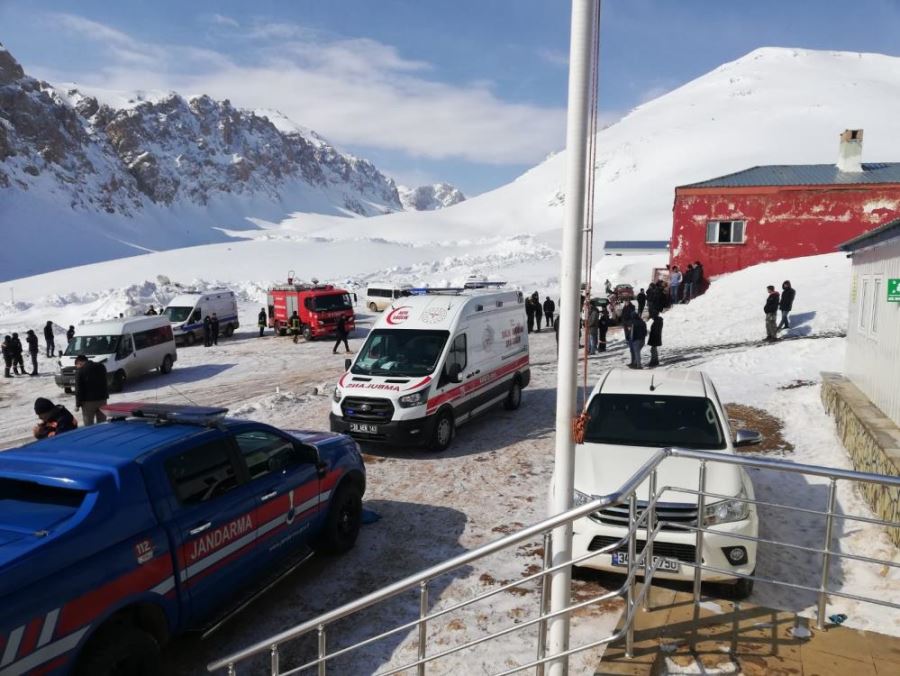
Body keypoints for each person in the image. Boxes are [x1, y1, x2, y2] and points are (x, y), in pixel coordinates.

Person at [74, 355, 109, 426]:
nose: (77, 367)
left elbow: (78, 389)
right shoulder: (101, 366)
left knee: (88, 425)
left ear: (79, 362)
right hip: (102, 399)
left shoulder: (80, 371)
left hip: (88, 402)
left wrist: (77, 404)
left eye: (76, 365)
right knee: (102, 423)